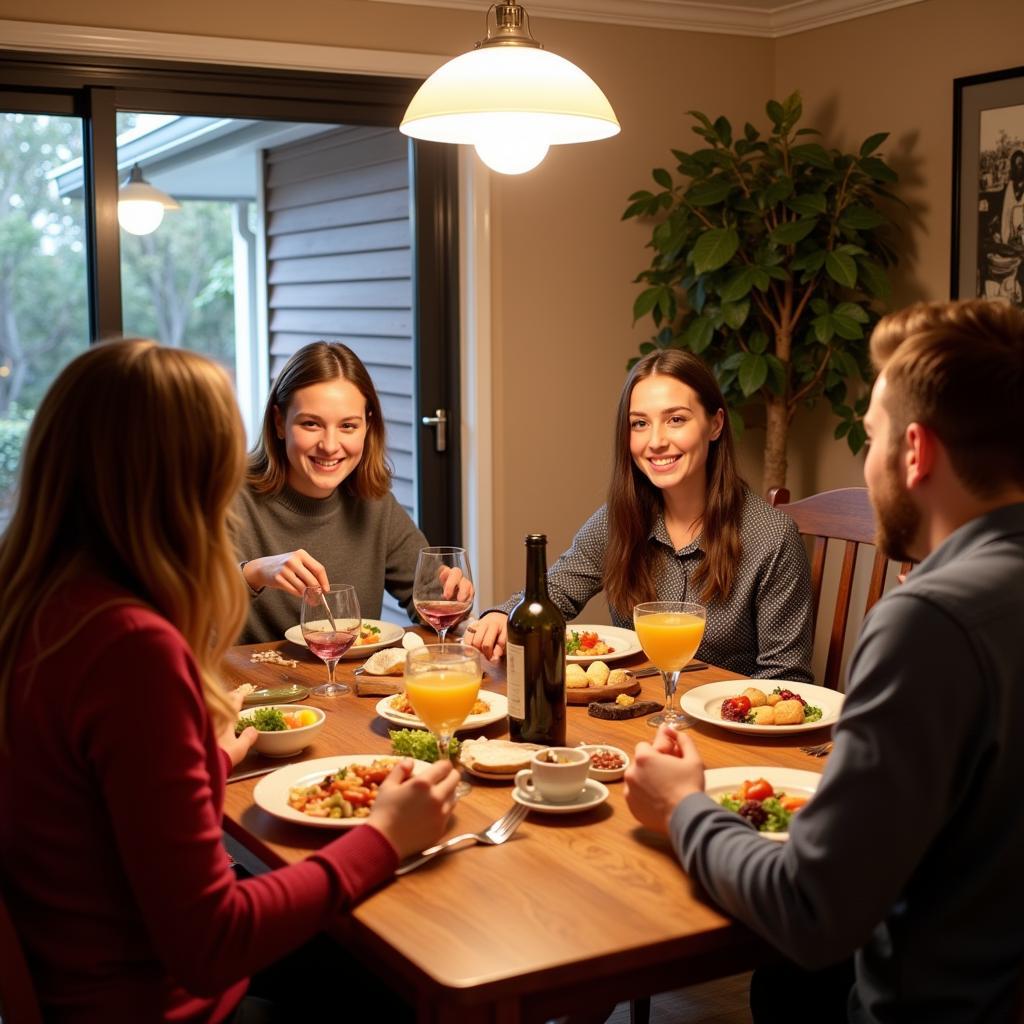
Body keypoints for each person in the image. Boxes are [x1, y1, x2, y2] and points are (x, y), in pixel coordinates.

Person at [0, 340, 458, 1022]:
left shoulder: (46, 608)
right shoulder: (132, 648)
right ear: (174, 475)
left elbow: (104, 804)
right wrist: (384, 838)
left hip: (92, 969)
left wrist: (211, 757)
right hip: (162, 1001)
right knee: (416, 969)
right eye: (220, 459)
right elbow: (212, 942)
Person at [624, 299, 1024, 1022]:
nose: (866, 464)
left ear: (916, 452)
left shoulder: (929, 623)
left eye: (868, 439)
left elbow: (809, 908)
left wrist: (681, 806)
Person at [466, 349, 814, 682]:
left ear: (715, 424)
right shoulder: (618, 519)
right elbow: (556, 588)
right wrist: (501, 613)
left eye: (676, 419)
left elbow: (785, 676)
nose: (656, 441)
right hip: (636, 717)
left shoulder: (771, 536)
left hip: (723, 731)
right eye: (639, 424)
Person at [235, 341, 445, 644]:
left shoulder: (374, 501)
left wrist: (450, 597)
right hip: (249, 688)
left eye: (348, 426)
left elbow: (428, 599)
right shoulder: (229, 495)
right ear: (280, 422)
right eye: (311, 424)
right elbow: (187, 608)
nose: (330, 446)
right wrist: (253, 573)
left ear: (367, 426)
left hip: (348, 688)